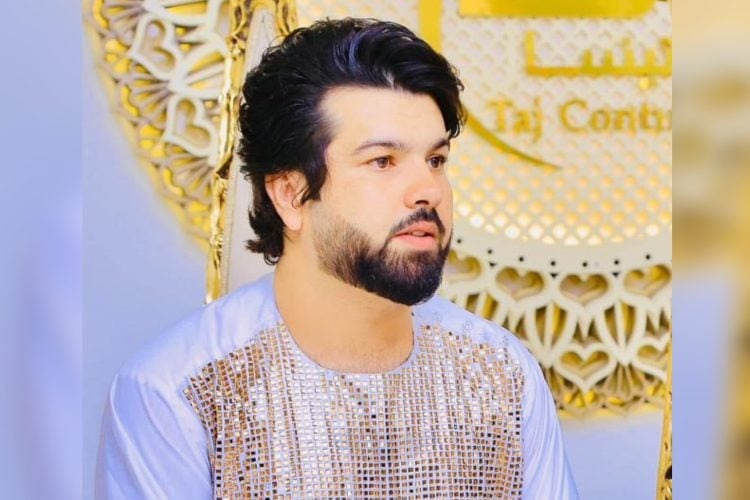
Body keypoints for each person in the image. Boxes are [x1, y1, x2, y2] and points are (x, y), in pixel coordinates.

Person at [96, 18, 579, 499]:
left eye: (436, 160)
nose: (428, 191)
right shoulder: (178, 392)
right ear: (291, 195)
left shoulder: (500, 374)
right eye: (382, 161)